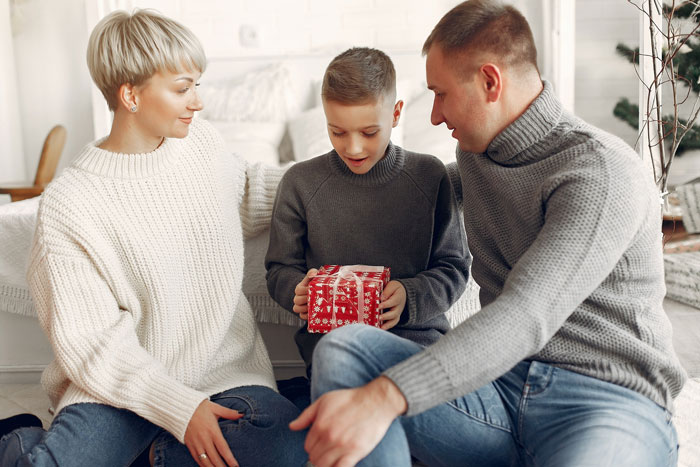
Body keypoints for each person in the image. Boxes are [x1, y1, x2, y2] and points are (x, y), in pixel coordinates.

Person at [289, 1, 688, 466]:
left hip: (606, 403)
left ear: (489, 82)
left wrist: (386, 396)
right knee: (343, 347)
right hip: (497, 393)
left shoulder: (601, 172)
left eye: (440, 93)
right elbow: (412, 192)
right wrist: (285, 190)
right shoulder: (475, 154)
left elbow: (527, 314)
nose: (435, 116)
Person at [0, 9, 307, 467]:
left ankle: (143, 456)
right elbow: (91, 345)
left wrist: (329, 181)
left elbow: (249, 191)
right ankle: (21, 441)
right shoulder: (69, 203)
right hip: (116, 390)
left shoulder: (200, 144)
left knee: (286, 449)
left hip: (223, 376)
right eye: (183, 88)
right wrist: (180, 411)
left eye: (196, 86)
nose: (197, 102)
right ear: (131, 95)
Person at [264, 47, 471, 404]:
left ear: (396, 113)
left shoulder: (429, 175)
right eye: (337, 131)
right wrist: (296, 289)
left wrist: (410, 295)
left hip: (417, 348)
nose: (354, 147)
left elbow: (454, 267)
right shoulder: (300, 182)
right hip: (333, 351)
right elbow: (279, 269)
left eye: (369, 132)